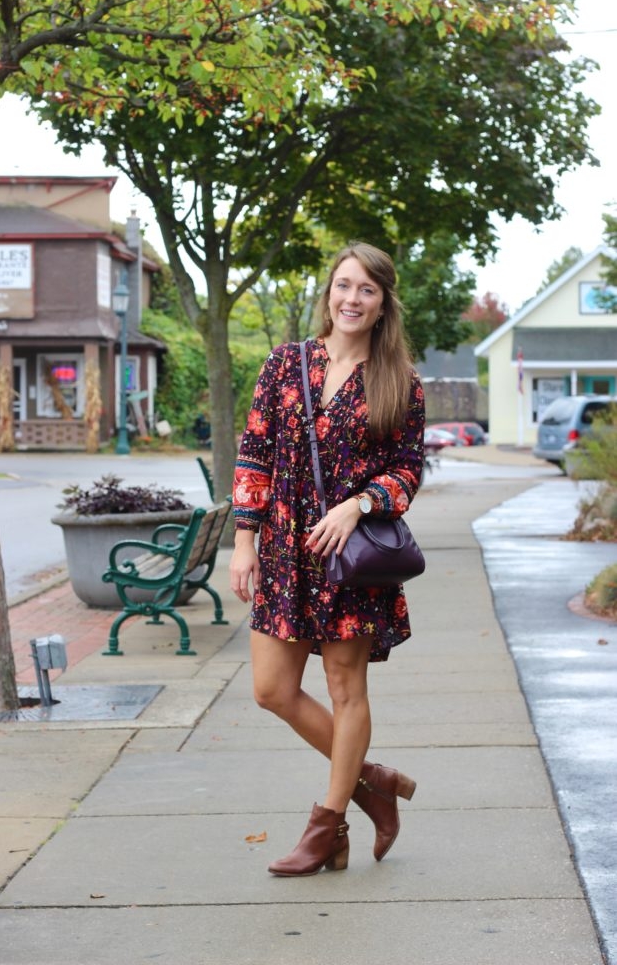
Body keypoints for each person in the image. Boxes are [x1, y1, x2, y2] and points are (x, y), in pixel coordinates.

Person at [230, 241, 425, 877]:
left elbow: (407, 473)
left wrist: (359, 505)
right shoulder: (285, 365)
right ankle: (373, 785)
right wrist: (244, 539)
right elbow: (255, 452)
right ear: (328, 294)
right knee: (271, 690)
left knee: (346, 689)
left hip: (351, 559)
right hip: (286, 551)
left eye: (366, 290)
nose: (352, 298)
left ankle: (327, 825)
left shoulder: (399, 383)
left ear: (382, 304)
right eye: (344, 285)